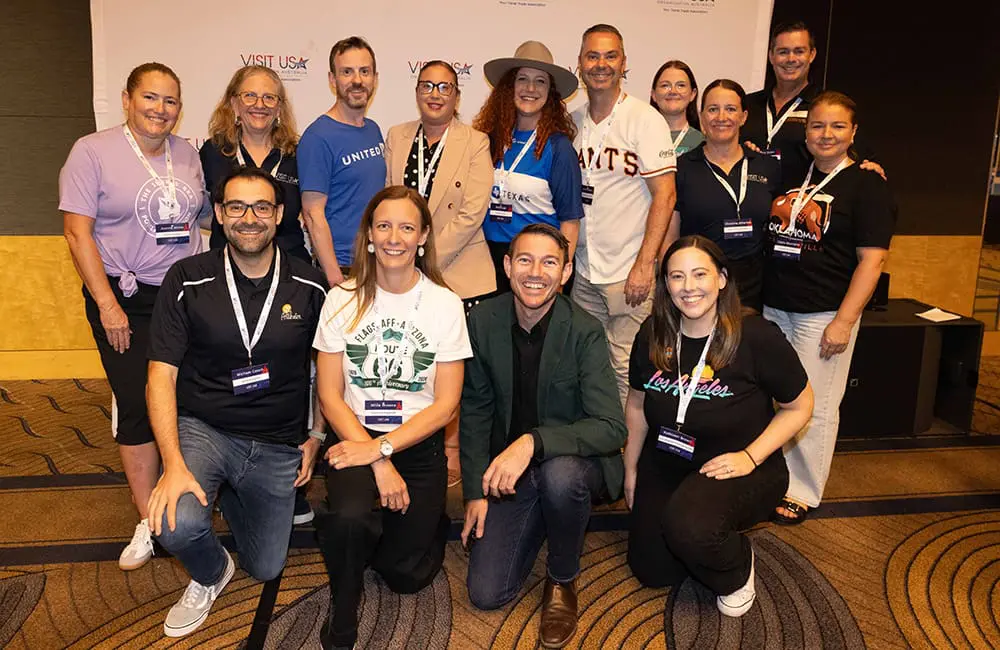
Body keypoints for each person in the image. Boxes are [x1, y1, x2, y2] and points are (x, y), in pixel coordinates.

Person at [145, 166, 327, 637]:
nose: (250, 218)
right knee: (173, 525)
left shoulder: (311, 287)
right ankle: (210, 572)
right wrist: (172, 463)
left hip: (278, 440)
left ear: (280, 215)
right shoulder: (186, 278)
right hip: (204, 427)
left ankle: (233, 494)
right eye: (238, 207)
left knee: (267, 566)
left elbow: (329, 371)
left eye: (262, 207)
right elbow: (160, 376)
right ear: (220, 215)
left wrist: (316, 437)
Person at [60, 62, 206, 571]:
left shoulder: (187, 153)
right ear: (127, 99)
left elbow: (198, 222)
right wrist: (107, 306)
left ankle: (183, 494)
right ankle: (149, 517)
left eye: (170, 101)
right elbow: (78, 234)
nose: (160, 110)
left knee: (184, 398)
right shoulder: (92, 151)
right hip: (124, 299)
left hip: (182, 295)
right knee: (137, 400)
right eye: (150, 98)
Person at [312, 186, 471, 650]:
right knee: (349, 521)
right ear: (368, 235)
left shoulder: (444, 303)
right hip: (353, 434)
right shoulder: (341, 298)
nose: (394, 237)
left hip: (417, 443)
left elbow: (446, 405)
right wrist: (376, 459)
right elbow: (328, 393)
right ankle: (344, 604)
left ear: (423, 236)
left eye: (406, 227)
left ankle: (418, 527)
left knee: (407, 575)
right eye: (383, 226)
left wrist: (386, 450)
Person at [625, 235, 813, 617]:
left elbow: (800, 405)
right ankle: (695, 533)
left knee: (691, 529)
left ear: (722, 279)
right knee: (652, 570)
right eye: (677, 277)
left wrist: (750, 456)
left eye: (700, 274)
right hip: (668, 460)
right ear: (666, 284)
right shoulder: (652, 333)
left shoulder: (756, 336)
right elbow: (637, 403)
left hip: (736, 466)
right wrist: (630, 469)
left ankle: (738, 567)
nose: (688, 287)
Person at [460, 223, 626, 648]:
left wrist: (532, 441)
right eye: (526, 260)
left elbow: (611, 427)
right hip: (510, 472)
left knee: (560, 477)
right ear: (507, 265)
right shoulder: (482, 321)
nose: (537, 272)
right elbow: (476, 410)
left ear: (566, 272)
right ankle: (542, 514)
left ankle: (562, 577)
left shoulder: (584, 330)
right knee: (486, 593)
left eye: (550, 262)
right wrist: (475, 493)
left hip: (572, 465)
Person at [762, 91, 894, 525]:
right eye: (817, 125)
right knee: (778, 400)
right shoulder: (792, 172)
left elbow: (872, 261)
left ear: (853, 132)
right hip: (775, 306)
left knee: (814, 405)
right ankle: (774, 477)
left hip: (822, 315)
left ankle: (803, 490)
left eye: (838, 126)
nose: (826, 134)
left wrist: (844, 321)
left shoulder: (868, 185)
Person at [572, 24, 677, 406]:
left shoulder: (644, 118)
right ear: (580, 64)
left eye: (610, 56)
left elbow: (665, 195)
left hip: (627, 272)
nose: (601, 65)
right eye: (592, 56)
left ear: (624, 63)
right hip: (584, 272)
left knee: (623, 370)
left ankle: (623, 460)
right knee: (587, 367)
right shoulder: (572, 120)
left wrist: (644, 265)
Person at [474, 41, 584, 293]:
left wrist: (557, 277)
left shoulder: (559, 148)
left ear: (551, 92)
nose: (530, 88)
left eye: (541, 81)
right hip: (487, 259)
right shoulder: (488, 139)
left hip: (538, 265)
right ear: (509, 86)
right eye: (522, 79)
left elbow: (570, 221)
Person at [384, 60, 495, 308]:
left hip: (460, 275)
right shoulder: (396, 136)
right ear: (416, 92)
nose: (435, 94)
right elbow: (389, 204)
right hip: (404, 273)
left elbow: (472, 213)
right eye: (427, 86)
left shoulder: (476, 142)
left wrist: (423, 259)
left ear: (456, 96)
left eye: (445, 87)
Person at [667, 79, 781, 311]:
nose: (721, 117)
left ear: (743, 116)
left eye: (730, 109)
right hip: (696, 288)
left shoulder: (767, 167)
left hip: (752, 291)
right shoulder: (681, 168)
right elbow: (669, 236)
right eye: (713, 109)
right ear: (701, 117)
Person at [299, 36, 386, 289]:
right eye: (347, 72)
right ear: (332, 79)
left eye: (364, 72)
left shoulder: (373, 130)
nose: (357, 80)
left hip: (376, 265)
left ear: (374, 78)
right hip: (343, 272)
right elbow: (313, 214)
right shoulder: (318, 137)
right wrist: (335, 278)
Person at [200, 64, 309, 262]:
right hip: (226, 269)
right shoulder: (213, 152)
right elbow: (203, 213)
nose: (260, 105)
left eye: (269, 97)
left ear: (279, 108)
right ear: (234, 104)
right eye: (249, 95)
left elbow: (313, 212)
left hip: (290, 269)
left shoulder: (298, 153)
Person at [741, 21, 818, 185]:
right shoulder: (747, 104)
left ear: (811, 55)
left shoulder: (824, 107)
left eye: (799, 51)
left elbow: (851, 158)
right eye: (783, 52)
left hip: (799, 206)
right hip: (748, 205)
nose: (791, 59)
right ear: (771, 56)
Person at [649, 60, 704, 157]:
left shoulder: (703, 142)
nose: (673, 91)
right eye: (665, 85)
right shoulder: (640, 138)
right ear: (653, 94)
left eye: (681, 85)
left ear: (693, 94)